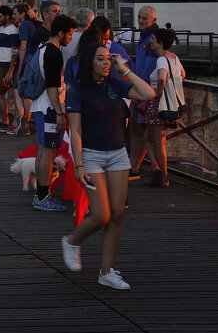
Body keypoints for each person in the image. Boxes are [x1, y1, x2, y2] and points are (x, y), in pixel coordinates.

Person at [61, 41, 155, 290]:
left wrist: (123, 69)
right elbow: (77, 131)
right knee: (101, 214)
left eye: (107, 59)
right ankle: (72, 241)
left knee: (117, 214)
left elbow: (148, 94)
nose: (106, 63)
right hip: (91, 155)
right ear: (89, 62)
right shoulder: (77, 90)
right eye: (100, 59)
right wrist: (79, 165)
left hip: (117, 155)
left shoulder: (114, 82)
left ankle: (107, 271)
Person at [31, 14, 76, 211]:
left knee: (43, 151)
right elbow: (52, 85)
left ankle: (41, 194)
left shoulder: (42, 48)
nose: (71, 38)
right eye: (70, 34)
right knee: (49, 153)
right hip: (49, 108)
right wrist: (59, 112)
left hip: (40, 106)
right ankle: (42, 197)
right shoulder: (54, 53)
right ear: (61, 33)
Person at [143, 28, 185, 188]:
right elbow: (183, 74)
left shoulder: (161, 60)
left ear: (160, 42)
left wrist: (158, 92)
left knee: (157, 142)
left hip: (158, 103)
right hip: (171, 102)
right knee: (148, 139)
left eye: (153, 39)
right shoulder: (174, 57)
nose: (151, 41)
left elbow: (162, 77)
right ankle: (156, 168)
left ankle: (164, 177)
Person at [128, 5, 160, 178]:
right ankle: (136, 166)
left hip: (145, 92)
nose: (139, 21)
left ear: (153, 20)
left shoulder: (151, 39)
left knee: (142, 129)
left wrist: (137, 92)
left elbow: (148, 69)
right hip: (143, 90)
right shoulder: (146, 37)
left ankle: (147, 167)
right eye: (139, 17)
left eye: (143, 19)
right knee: (139, 129)